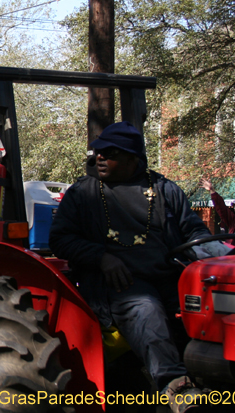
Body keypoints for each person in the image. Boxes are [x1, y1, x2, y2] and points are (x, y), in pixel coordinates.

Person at [49, 121, 219, 413]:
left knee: (211, 307)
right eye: (97, 152)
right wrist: (101, 257)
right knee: (145, 308)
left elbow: (194, 233)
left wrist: (216, 254)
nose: (99, 157)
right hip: (117, 286)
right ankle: (175, 386)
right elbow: (61, 239)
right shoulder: (83, 193)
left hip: (170, 277)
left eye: (110, 152)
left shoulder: (165, 190)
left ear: (133, 158)